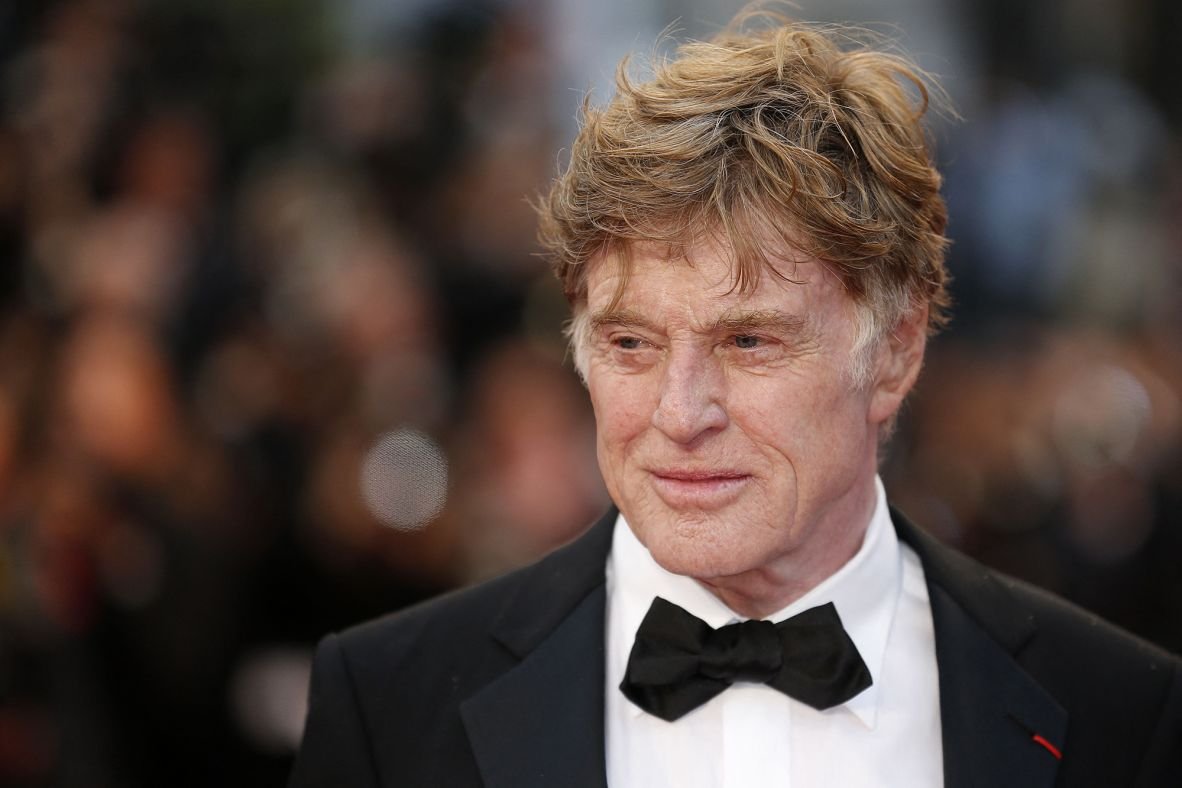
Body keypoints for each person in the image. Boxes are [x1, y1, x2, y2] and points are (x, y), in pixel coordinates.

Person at [289, 11, 1182, 787]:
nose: (680, 414)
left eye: (749, 342)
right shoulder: (388, 705)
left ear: (895, 351)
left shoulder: (1118, 712)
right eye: (631, 344)